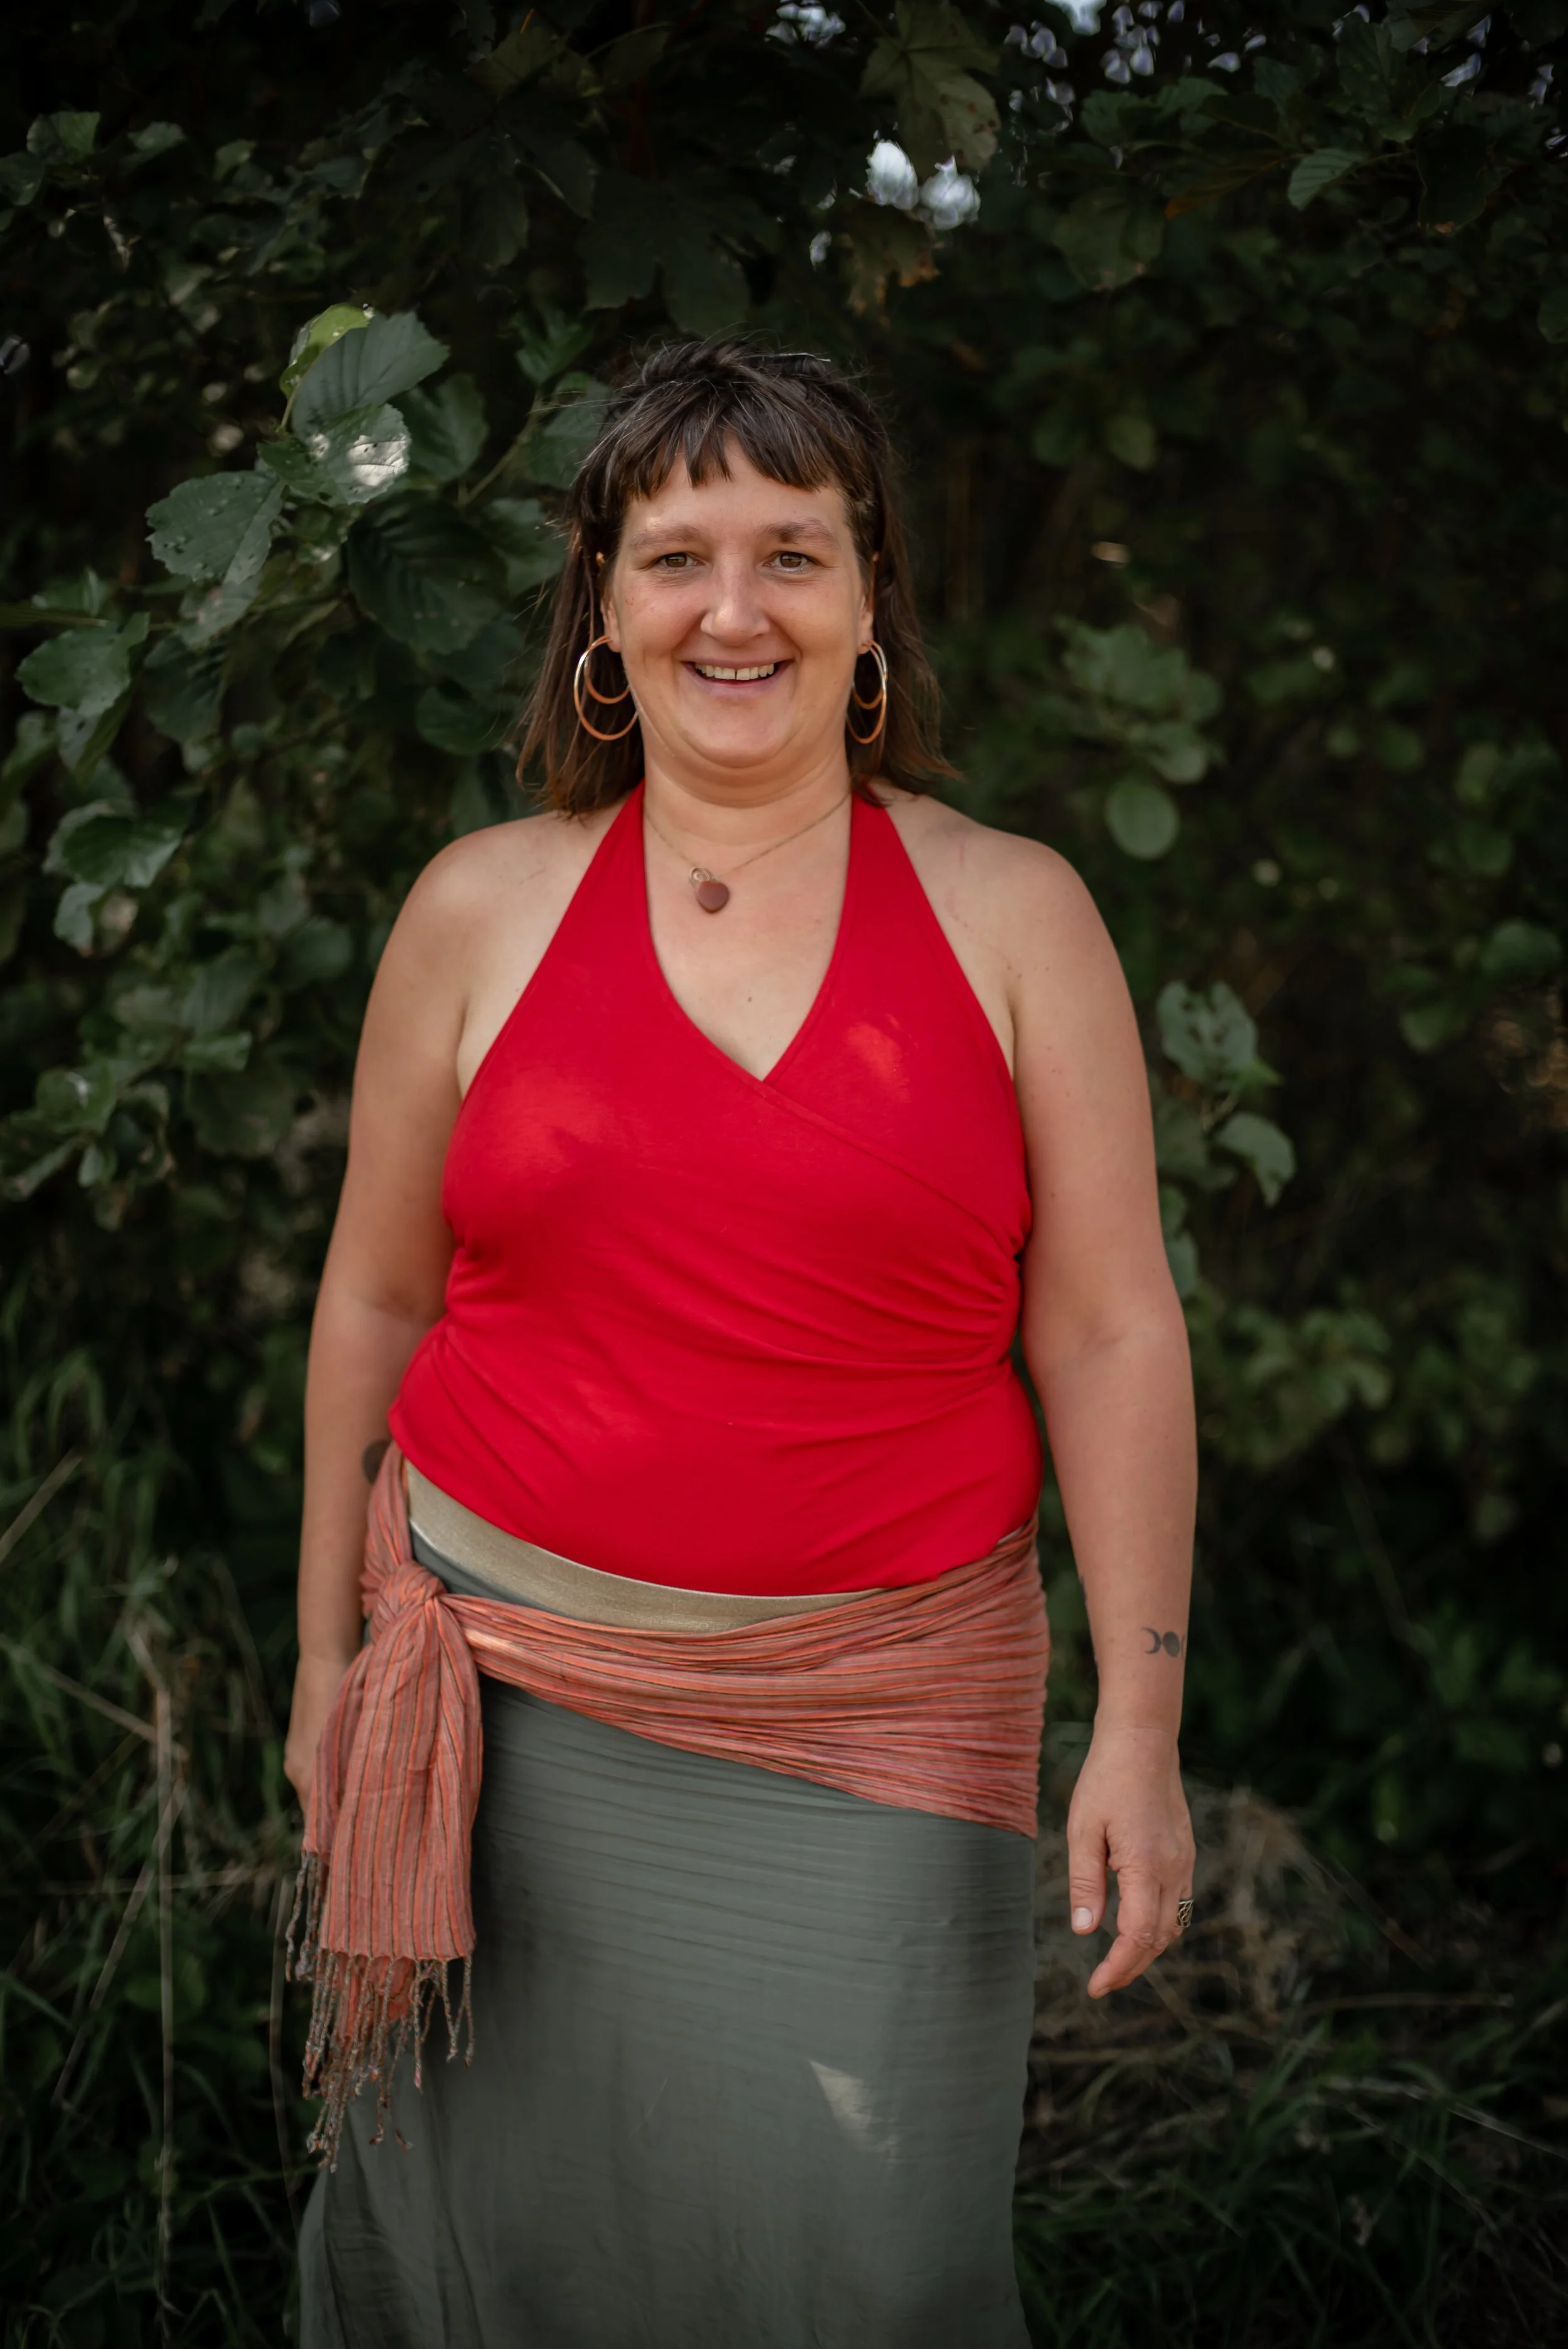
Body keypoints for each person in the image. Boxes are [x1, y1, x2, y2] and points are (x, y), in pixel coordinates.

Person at [285, 339, 1197, 2349]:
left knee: (869, 2266)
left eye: (792, 554)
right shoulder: (479, 907)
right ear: (601, 610)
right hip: (493, 1702)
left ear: (869, 603)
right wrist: (325, 1665)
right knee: (497, 2246)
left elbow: (1113, 1328)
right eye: (677, 557)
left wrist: (1138, 1727)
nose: (733, 610)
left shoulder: (1014, 913)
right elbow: (376, 1295)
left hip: (879, 1714)